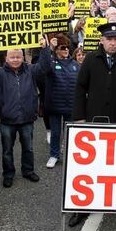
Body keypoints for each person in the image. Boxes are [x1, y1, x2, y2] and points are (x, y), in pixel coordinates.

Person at [69, 21, 116, 227]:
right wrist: (80, 117)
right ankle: (82, 207)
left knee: (114, 163)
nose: (113, 43)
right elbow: (80, 89)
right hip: (93, 120)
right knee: (90, 165)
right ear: (101, 40)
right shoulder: (91, 59)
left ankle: (112, 199)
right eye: (109, 39)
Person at [0, 48, 40, 187]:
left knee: (28, 148)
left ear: (23, 58)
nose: (16, 59)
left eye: (18, 57)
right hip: (7, 120)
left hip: (27, 119)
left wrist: (46, 49)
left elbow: (45, 67)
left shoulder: (30, 70)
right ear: (6, 58)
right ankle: (8, 174)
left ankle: (28, 171)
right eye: (12, 57)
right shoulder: (0, 73)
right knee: (7, 150)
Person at [35, 34, 80, 169]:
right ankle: (54, 155)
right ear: (56, 50)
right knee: (55, 132)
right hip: (54, 105)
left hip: (71, 105)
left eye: (67, 47)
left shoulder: (75, 65)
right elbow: (43, 67)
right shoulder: (51, 63)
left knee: (70, 132)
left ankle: (68, 154)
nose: (66, 50)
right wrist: (48, 48)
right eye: (62, 47)